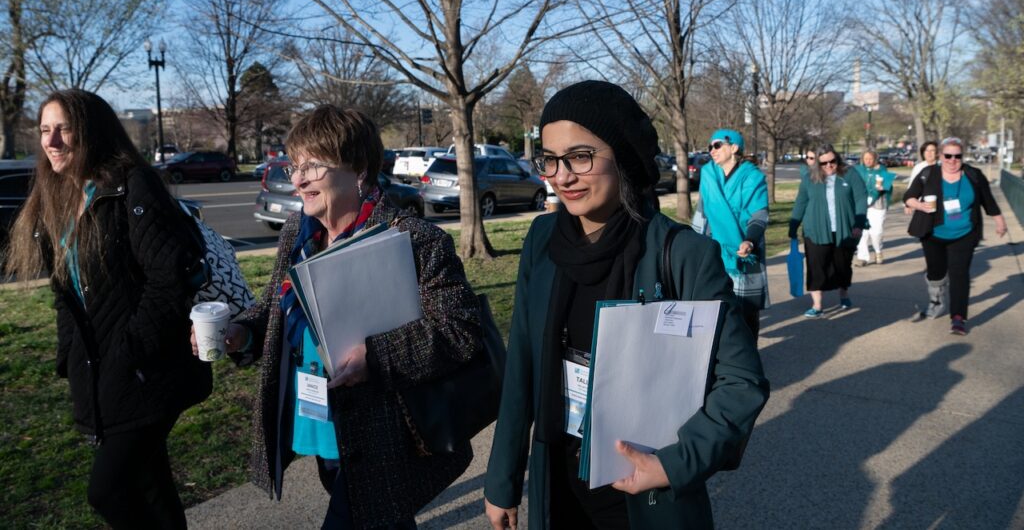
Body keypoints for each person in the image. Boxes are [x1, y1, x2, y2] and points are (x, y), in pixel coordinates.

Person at [484, 81, 769, 530]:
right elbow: (521, 360)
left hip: (644, 494)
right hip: (557, 485)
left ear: (624, 157)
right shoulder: (542, 240)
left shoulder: (684, 254)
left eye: (580, 156)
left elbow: (741, 382)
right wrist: (501, 480)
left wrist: (674, 464)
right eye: (550, 159)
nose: (562, 176)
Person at [211, 105, 481, 529]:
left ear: (357, 168)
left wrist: (373, 357)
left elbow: (459, 330)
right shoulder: (298, 236)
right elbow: (274, 311)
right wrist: (241, 333)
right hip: (321, 427)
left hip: (386, 440)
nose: (298, 180)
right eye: (294, 166)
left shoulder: (413, 240)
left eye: (313, 167)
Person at [5, 89, 210, 529]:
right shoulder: (56, 196)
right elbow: (64, 293)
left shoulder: (132, 185)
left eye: (64, 128)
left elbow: (167, 278)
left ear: (92, 131)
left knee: (108, 491)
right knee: (152, 486)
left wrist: (130, 351)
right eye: (44, 130)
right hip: (100, 373)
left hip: (145, 370)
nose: (52, 141)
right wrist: (68, 355)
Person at [904, 137, 1007, 334]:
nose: (952, 160)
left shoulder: (973, 175)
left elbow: (988, 200)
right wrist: (918, 205)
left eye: (957, 156)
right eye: (948, 156)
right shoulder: (929, 173)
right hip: (932, 233)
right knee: (936, 273)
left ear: (962, 156)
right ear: (941, 156)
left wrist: (999, 220)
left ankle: (958, 317)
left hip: (964, 233)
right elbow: (908, 196)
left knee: (959, 275)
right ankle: (937, 300)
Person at [692, 128, 770, 336]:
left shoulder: (753, 177)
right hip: (715, 252)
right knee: (717, 311)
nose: (712, 150)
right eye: (710, 147)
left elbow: (759, 214)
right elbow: (702, 213)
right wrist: (694, 244)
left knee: (746, 312)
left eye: (717, 145)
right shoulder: (708, 174)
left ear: (734, 148)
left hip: (745, 251)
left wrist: (750, 240)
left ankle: (749, 357)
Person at [788, 144, 868, 317]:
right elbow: (801, 202)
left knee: (842, 265)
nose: (829, 166)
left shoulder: (849, 173)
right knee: (816, 266)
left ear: (837, 159)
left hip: (844, 229)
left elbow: (861, 197)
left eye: (833, 161)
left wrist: (859, 223)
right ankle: (817, 306)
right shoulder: (809, 177)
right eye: (824, 163)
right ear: (818, 164)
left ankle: (844, 292)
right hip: (815, 229)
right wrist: (793, 226)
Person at [854, 150, 896, 266]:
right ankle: (862, 257)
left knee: (876, 232)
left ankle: (878, 251)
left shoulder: (882, 170)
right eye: (866, 158)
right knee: (862, 231)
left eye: (870, 159)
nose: (868, 161)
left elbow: (887, 185)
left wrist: (879, 190)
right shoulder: (857, 169)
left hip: (878, 204)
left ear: (875, 159)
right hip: (861, 203)